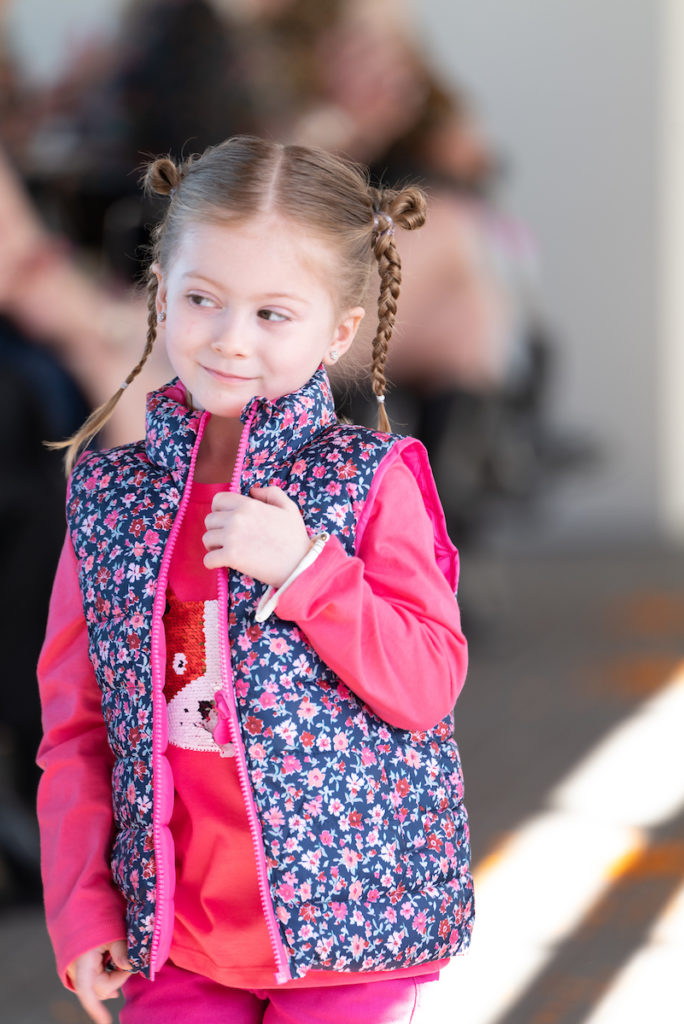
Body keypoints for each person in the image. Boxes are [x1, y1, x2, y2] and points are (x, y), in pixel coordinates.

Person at [36, 136, 473, 1024]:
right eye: (203, 299)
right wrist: (82, 906)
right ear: (161, 291)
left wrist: (309, 570)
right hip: (179, 936)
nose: (231, 339)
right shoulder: (111, 497)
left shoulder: (369, 483)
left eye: (274, 314)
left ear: (338, 330)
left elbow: (427, 684)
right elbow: (76, 726)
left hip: (351, 938)